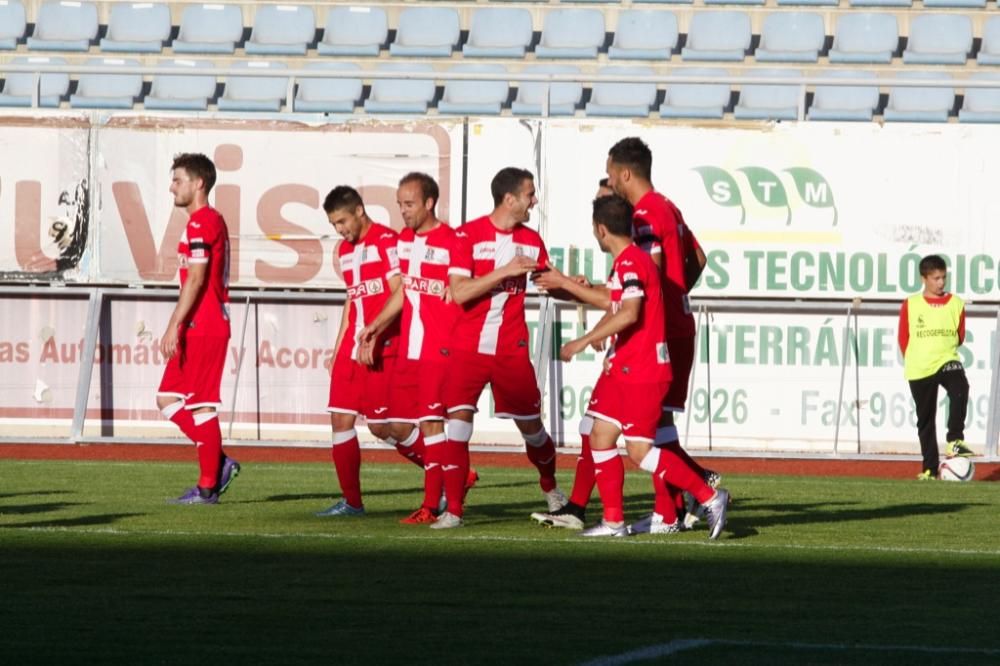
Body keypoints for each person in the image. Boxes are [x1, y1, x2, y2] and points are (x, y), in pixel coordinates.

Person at [534, 139, 720, 534]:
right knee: (637, 428)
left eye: (611, 175)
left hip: (652, 339)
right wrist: (671, 297)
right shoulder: (667, 205)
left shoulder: (645, 216)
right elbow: (698, 260)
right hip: (665, 329)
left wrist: (632, 316)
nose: (610, 185)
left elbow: (639, 285)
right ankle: (666, 512)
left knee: (637, 437)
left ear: (624, 174)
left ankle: (699, 490)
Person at [437, 167, 568, 529]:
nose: (534, 200)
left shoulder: (531, 239)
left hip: (510, 350)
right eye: (530, 194)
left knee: (533, 430)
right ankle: (454, 512)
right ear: (509, 199)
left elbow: (549, 280)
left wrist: (573, 284)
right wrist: (503, 271)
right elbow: (460, 292)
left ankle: (551, 488)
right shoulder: (468, 235)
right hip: (467, 349)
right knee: (457, 427)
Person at [357, 173, 476, 527]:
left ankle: (435, 504)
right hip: (412, 348)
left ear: (429, 202)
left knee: (434, 426)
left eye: (409, 204)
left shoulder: (454, 241)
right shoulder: (405, 241)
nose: (403, 212)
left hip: (441, 350)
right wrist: (376, 326)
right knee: (399, 424)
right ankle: (446, 493)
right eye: (399, 204)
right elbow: (404, 291)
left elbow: (462, 289)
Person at [318, 185, 422, 517]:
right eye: (335, 224)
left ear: (360, 211)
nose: (340, 229)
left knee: (385, 427)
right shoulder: (346, 251)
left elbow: (401, 293)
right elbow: (353, 299)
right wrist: (338, 348)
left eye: (343, 221)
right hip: (354, 346)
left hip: (383, 345)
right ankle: (352, 502)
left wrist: (375, 330)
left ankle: (451, 472)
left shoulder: (387, 242)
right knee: (340, 418)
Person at [157, 153, 239, 505]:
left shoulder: (203, 222)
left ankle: (208, 488)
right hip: (197, 322)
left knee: (202, 405)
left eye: (178, 180)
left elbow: (197, 278)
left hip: (204, 324)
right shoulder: (201, 222)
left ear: (198, 183)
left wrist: (174, 323)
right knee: (166, 399)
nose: (171, 187)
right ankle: (217, 459)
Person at [898, 254, 972, 480]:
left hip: (946, 359)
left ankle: (955, 440)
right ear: (924, 279)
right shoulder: (911, 304)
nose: (941, 283)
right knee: (926, 419)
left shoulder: (956, 303)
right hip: (920, 366)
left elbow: (959, 336)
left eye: (943, 278)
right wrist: (916, 357)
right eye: (936, 278)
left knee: (961, 388)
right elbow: (903, 338)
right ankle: (930, 469)